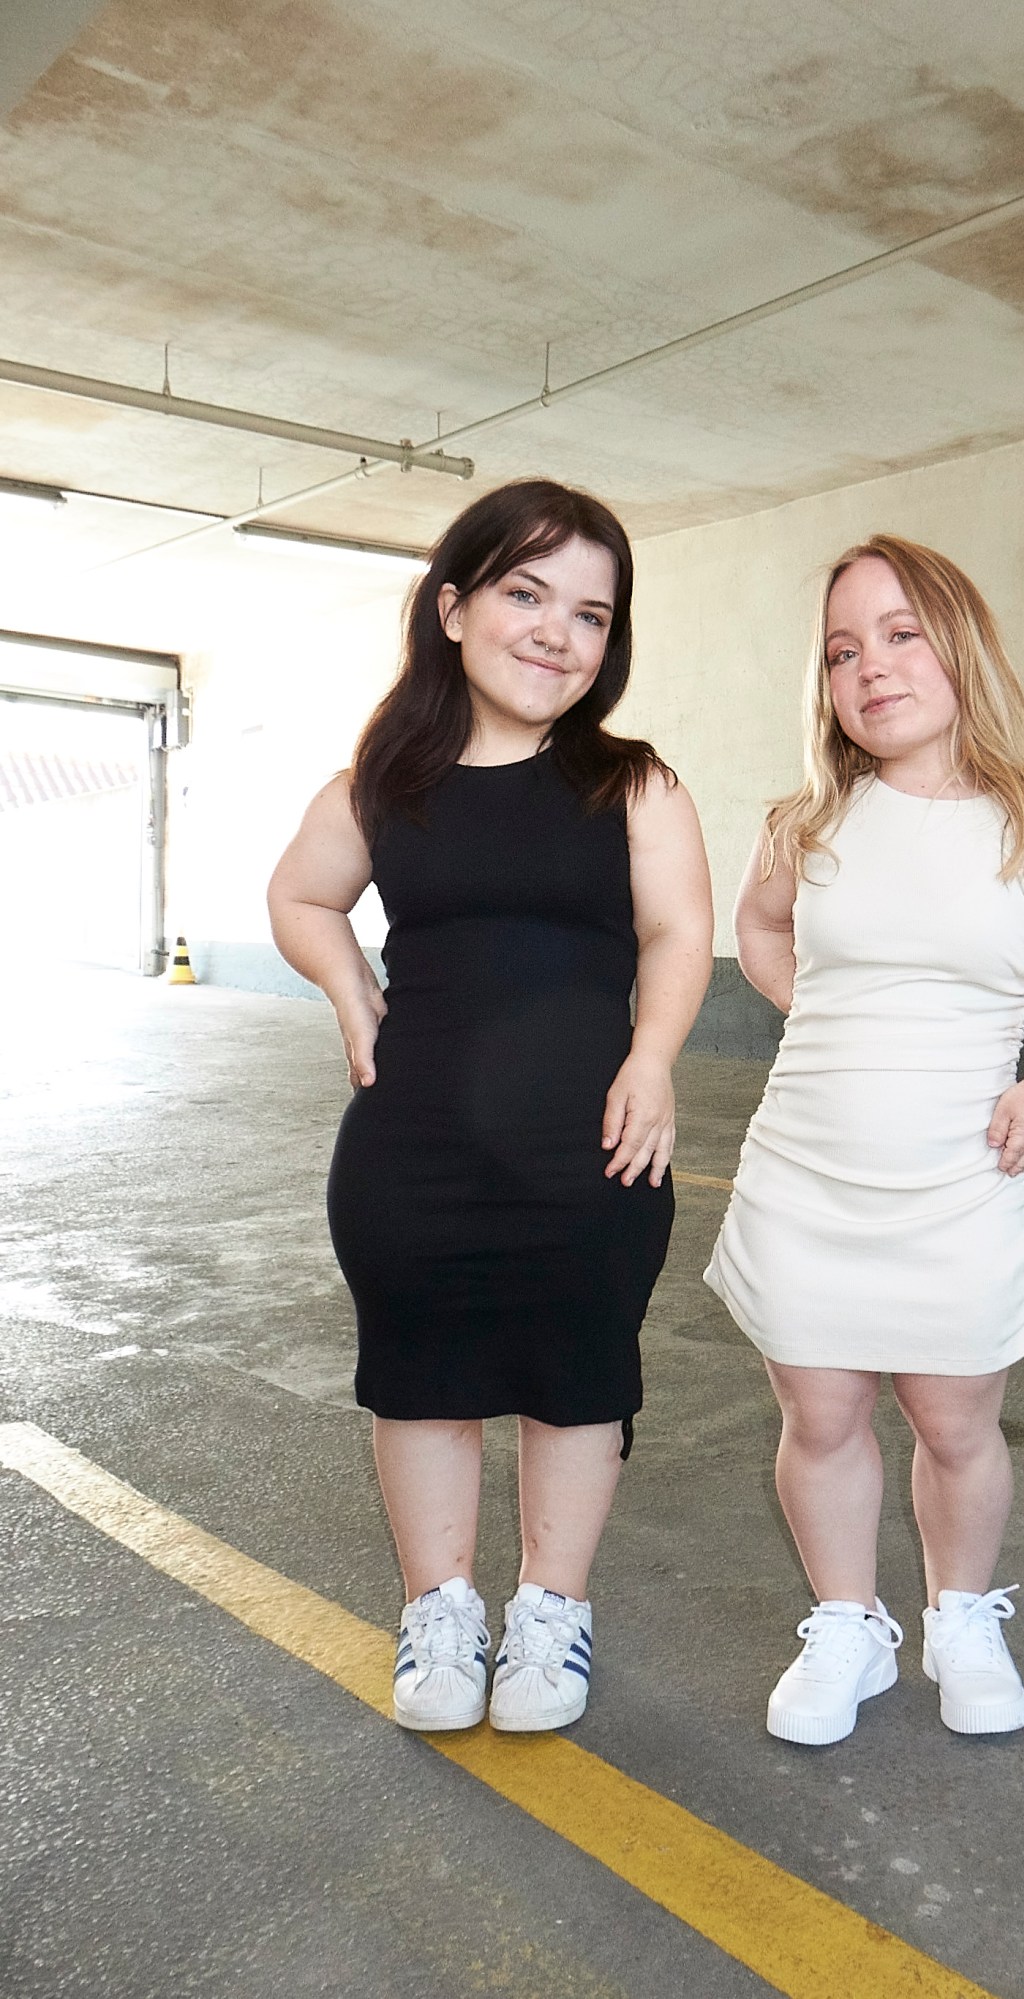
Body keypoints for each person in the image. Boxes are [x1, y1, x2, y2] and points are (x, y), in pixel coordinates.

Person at [268, 479, 712, 1735]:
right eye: (526, 593)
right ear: (454, 607)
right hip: (415, 1143)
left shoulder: (632, 784)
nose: (557, 632)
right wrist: (352, 991)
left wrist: (656, 1055)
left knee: (579, 1376)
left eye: (590, 613)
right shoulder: (384, 784)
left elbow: (681, 930)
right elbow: (301, 898)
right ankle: (443, 1609)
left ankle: (551, 1615)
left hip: (594, 1139)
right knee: (421, 1378)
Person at [704, 534, 1024, 1746]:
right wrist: (827, 1021)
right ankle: (846, 1625)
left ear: (958, 645)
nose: (871, 666)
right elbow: (762, 933)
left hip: (959, 1171)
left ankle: (960, 1615)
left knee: (954, 1420)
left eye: (898, 633)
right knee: (820, 1417)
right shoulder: (807, 822)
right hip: (807, 1171)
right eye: (843, 649)